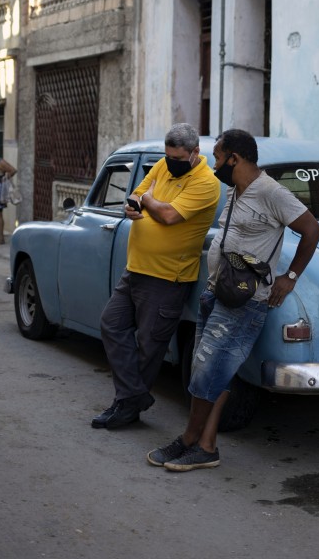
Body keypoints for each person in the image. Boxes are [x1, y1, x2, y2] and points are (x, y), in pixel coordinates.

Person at [147, 129, 319, 471]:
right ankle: (207, 446)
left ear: (235, 159)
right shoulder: (235, 190)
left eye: (217, 157)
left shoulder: (271, 192)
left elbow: (312, 229)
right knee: (214, 374)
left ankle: (186, 440)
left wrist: (290, 277)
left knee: (204, 375)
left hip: (244, 302)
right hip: (216, 293)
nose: (215, 164)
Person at [93, 123, 220, 430]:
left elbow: (170, 216)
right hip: (135, 268)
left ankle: (126, 407)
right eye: (168, 156)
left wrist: (149, 202)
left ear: (194, 153)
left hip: (168, 277)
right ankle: (134, 396)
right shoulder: (163, 165)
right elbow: (137, 193)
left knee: (150, 346)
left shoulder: (206, 182)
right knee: (111, 325)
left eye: (178, 158)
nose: (171, 162)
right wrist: (134, 206)